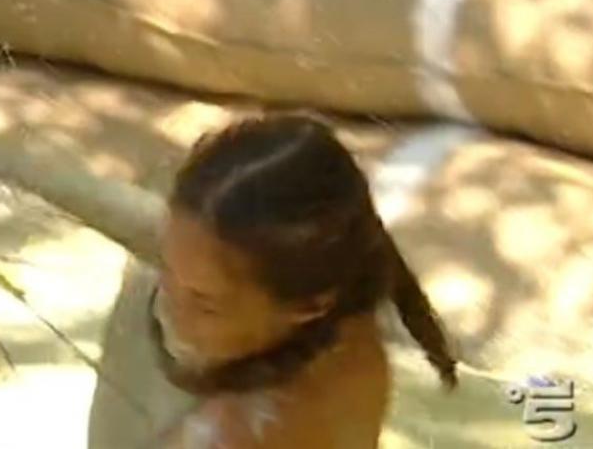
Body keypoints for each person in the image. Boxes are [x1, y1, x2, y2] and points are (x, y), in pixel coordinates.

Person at [90, 114, 457, 448]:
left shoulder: (240, 433)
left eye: (205, 305)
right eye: (166, 267)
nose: (170, 309)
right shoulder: (344, 310)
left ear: (309, 304)